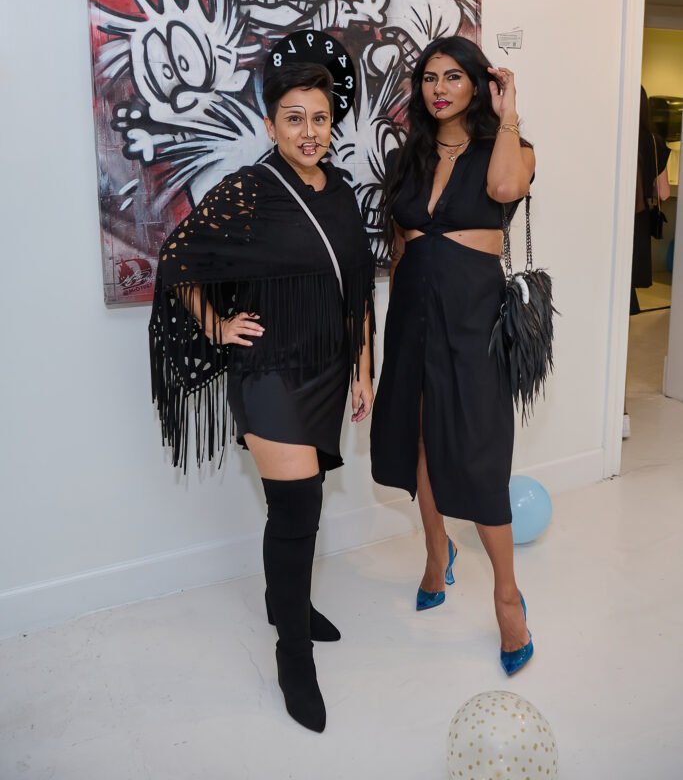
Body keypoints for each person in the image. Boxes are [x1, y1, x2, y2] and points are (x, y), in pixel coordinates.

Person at [149, 62, 375, 732]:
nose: (309, 132)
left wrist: (363, 367)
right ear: (272, 124)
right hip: (268, 368)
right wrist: (217, 325)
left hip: (328, 368)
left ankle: (289, 605)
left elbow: (355, 286)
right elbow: (179, 258)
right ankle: (292, 649)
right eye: (294, 118)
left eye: (320, 118)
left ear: (332, 125)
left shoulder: (338, 190)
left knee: (300, 506)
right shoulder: (248, 191)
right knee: (297, 503)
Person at [370, 36, 536, 675]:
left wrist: (511, 109)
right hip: (413, 313)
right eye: (430, 78)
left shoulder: (509, 148)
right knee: (418, 441)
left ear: (477, 84)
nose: (440, 88)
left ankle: (506, 594)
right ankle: (438, 554)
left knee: (478, 450)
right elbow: (401, 247)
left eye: (454, 77)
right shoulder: (407, 157)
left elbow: (502, 186)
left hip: (473, 318)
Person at [630, 86, 671, 316]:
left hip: (612, 215)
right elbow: (663, 193)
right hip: (639, 217)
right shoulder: (654, 142)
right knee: (629, 279)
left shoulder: (613, 137)